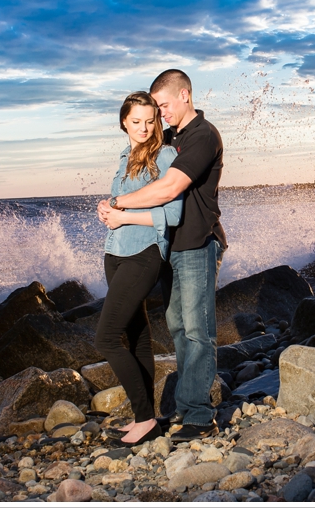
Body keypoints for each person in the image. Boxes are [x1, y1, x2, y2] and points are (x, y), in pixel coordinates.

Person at [109, 69, 227, 443]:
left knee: (197, 331)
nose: (160, 115)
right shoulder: (171, 137)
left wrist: (118, 205)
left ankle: (199, 416)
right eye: (156, 108)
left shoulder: (203, 137)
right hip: (170, 246)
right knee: (177, 326)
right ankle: (184, 405)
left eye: (163, 105)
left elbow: (169, 188)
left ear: (185, 95)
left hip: (196, 243)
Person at [95, 91, 183, 446]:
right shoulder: (125, 154)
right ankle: (145, 420)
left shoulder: (166, 155)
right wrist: (106, 210)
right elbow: (120, 205)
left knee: (105, 338)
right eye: (136, 122)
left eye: (151, 121)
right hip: (115, 252)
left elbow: (172, 214)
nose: (145, 128)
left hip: (144, 254)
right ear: (123, 123)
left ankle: (145, 417)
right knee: (137, 336)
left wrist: (122, 214)